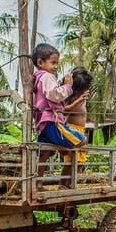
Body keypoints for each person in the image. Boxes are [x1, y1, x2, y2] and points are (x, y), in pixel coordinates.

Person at [31, 43, 86, 182]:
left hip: (42, 123)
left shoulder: (37, 78)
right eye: (53, 63)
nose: (56, 66)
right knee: (81, 140)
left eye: (57, 63)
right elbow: (53, 95)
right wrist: (67, 86)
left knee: (45, 154)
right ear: (40, 62)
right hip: (52, 121)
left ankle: (37, 184)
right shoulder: (47, 77)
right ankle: (65, 182)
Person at [60, 66, 92, 188]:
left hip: (79, 130)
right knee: (71, 162)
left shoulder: (78, 98)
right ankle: (63, 184)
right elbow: (64, 113)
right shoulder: (71, 98)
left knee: (78, 163)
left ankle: (69, 185)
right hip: (72, 130)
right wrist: (77, 102)